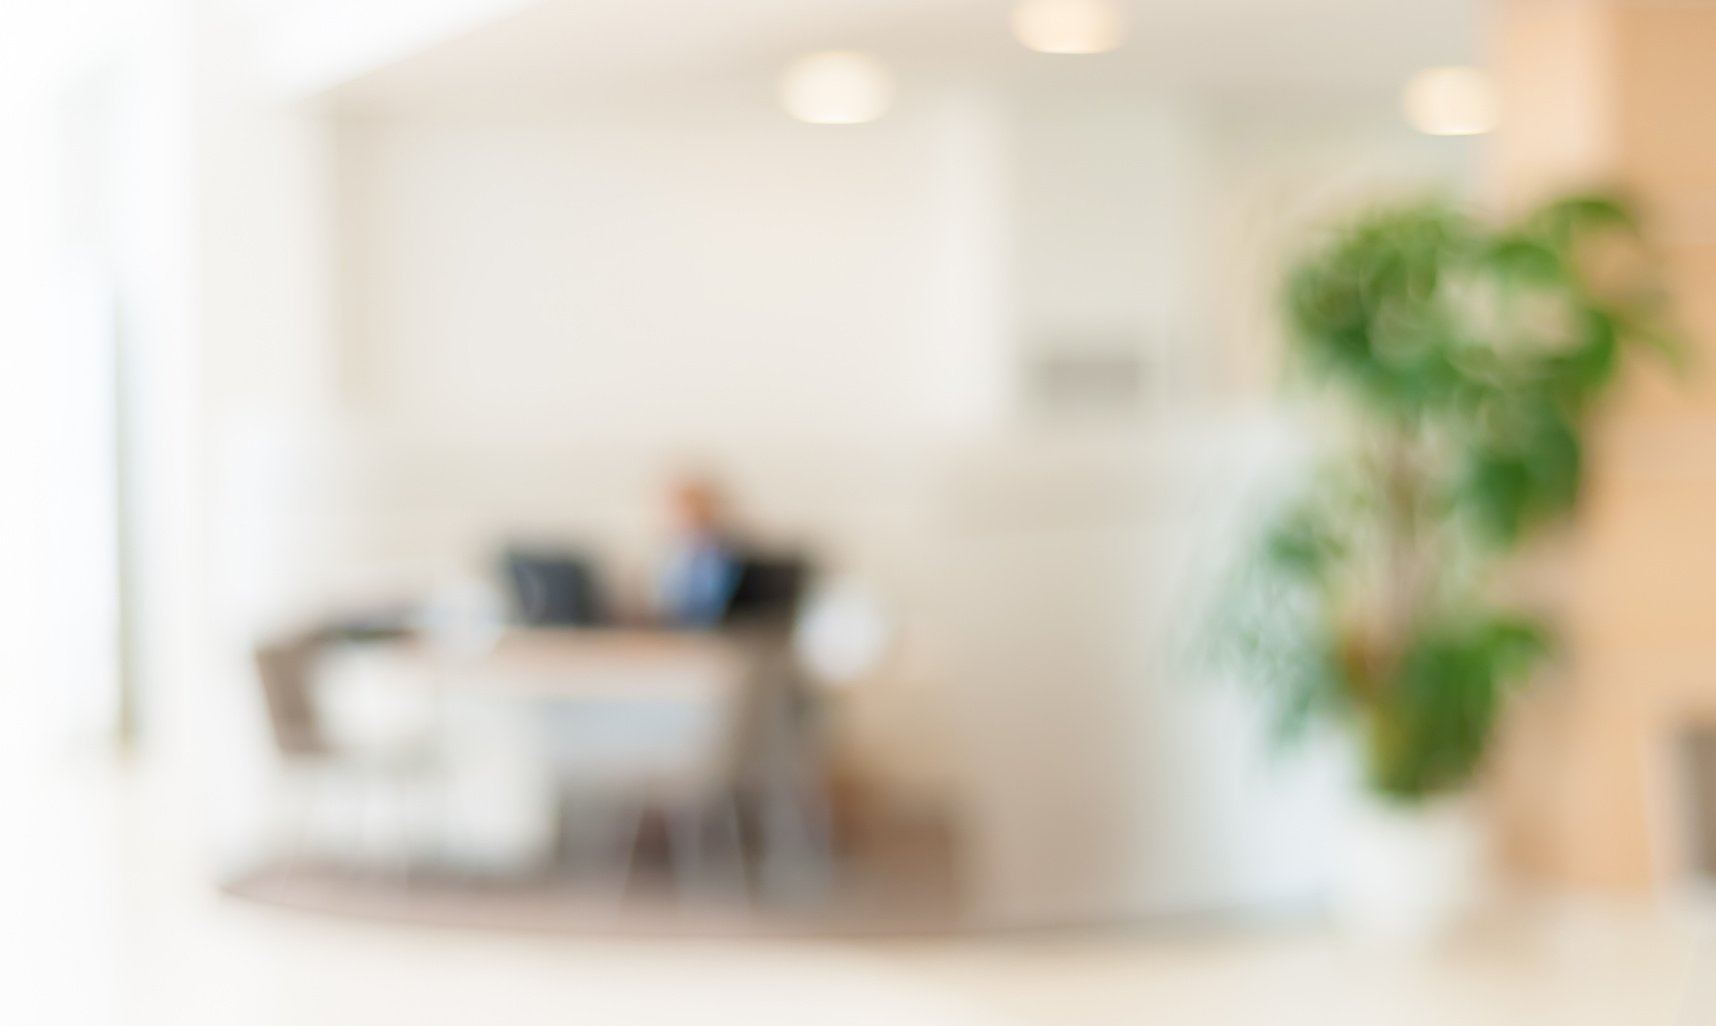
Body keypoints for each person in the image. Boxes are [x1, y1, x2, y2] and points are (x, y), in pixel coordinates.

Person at [656, 475, 743, 629]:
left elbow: (711, 601)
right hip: (674, 631)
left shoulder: (724, 554)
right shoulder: (673, 552)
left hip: (712, 631)